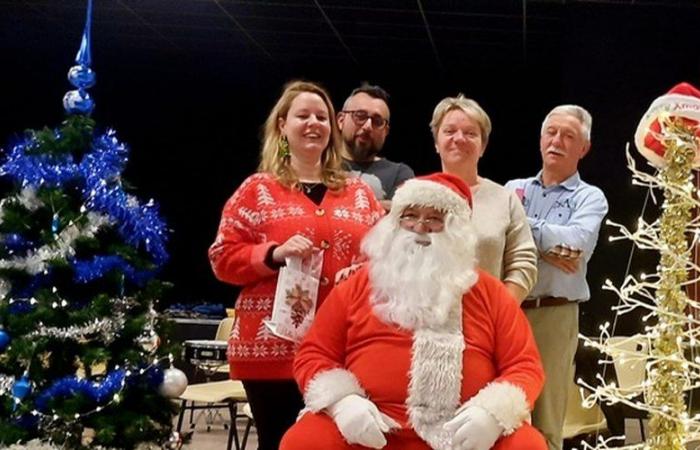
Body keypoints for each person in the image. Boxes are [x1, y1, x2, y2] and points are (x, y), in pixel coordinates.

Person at [281, 173, 547, 450]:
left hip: (461, 433)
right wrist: (342, 402)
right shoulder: (357, 286)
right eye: (410, 215)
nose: (420, 226)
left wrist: (491, 415)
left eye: (434, 218)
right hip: (372, 429)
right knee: (303, 441)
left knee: (527, 445)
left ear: (456, 230)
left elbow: (524, 365)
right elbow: (314, 354)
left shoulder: (490, 293)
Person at [208, 80, 385, 450]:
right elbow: (222, 258)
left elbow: (384, 259)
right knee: (281, 442)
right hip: (271, 352)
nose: (313, 123)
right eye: (302, 115)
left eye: (321, 116)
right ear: (282, 127)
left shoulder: (360, 193)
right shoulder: (256, 190)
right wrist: (272, 254)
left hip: (344, 347)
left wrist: (364, 273)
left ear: (332, 129)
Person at [505, 105, 608, 450]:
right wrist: (548, 243)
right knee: (501, 410)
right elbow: (497, 242)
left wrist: (524, 227)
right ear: (540, 139)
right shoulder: (512, 189)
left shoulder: (590, 197)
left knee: (547, 418)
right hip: (507, 311)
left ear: (584, 148)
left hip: (555, 313)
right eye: (551, 133)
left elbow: (575, 245)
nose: (557, 141)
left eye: (569, 136)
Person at [430, 95, 537, 302]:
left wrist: (500, 313)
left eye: (470, 133)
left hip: (487, 324)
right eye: (449, 131)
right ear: (436, 142)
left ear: (483, 147)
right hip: (423, 325)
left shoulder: (504, 199)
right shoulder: (413, 196)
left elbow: (523, 263)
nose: (459, 138)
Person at [338, 84, 415, 210]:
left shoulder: (399, 173)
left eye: (378, 122)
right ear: (341, 120)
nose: (368, 126)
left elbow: (404, 216)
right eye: (360, 116)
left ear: (386, 131)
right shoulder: (319, 164)